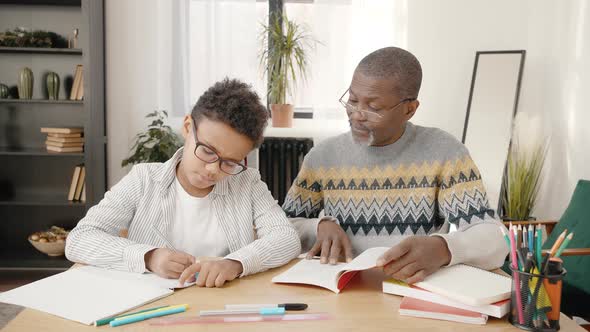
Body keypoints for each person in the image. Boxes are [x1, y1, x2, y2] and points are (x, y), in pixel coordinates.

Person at [283, 47, 508, 284]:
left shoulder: (444, 152)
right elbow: (281, 229)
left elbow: (495, 239)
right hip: (344, 292)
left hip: (411, 293)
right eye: (352, 100)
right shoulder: (322, 157)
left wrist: (444, 248)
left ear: (409, 109)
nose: (357, 115)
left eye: (374, 107)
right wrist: (318, 226)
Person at [66, 78, 301, 288]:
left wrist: (235, 263)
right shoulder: (144, 180)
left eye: (229, 162)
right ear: (188, 128)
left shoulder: (247, 182)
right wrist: (149, 257)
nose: (212, 170)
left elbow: (286, 238)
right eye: (208, 151)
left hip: (224, 307)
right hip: (151, 310)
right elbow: (79, 239)